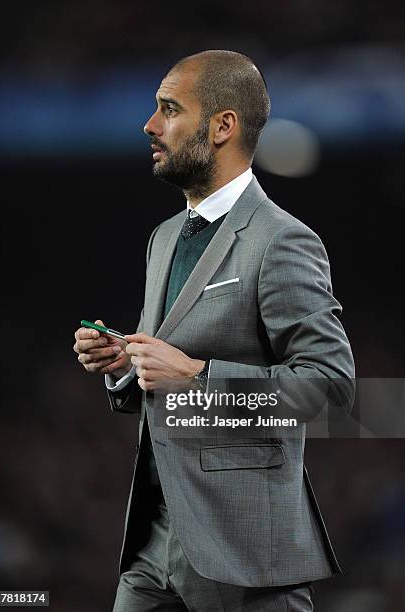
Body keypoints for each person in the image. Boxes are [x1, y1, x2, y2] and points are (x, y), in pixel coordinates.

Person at [73, 50, 355, 611]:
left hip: (243, 551)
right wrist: (126, 362)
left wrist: (199, 376)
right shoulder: (163, 237)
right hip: (154, 544)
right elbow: (167, 369)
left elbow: (330, 389)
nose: (149, 126)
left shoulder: (281, 240)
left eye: (168, 109)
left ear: (222, 125)